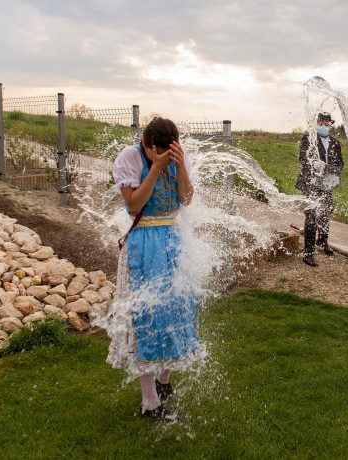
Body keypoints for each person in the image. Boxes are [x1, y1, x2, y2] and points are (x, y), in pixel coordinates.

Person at [108, 117, 202, 421]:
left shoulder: (178, 154)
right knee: (148, 316)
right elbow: (135, 205)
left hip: (174, 238)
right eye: (155, 153)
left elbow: (185, 199)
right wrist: (158, 168)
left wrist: (180, 166)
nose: (160, 157)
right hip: (145, 242)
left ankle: (164, 382)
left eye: (167, 152)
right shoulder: (130, 157)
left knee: (177, 309)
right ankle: (149, 403)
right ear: (146, 145)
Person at [295, 112, 344, 267]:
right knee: (311, 214)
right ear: (317, 125)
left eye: (327, 124)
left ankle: (322, 241)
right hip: (311, 181)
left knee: (326, 211)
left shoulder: (335, 143)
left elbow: (340, 164)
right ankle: (308, 252)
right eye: (321, 123)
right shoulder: (309, 139)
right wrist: (313, 163)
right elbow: (303, 158)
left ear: (331, 126)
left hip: (326, 182)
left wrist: (332, 170)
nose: (324, 126)